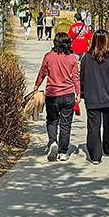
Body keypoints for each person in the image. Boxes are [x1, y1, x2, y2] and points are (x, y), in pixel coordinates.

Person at [79, 29, 109, 163]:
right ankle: (108, 149)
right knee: (108, 125)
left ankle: (95, 156)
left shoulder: (86, 58)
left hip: (92, 99)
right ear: (107, 41)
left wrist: (82, 93)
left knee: (93, 127)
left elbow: (82, 78)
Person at [33, 32, 80, 161]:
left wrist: (36, 85)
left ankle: (53, 142)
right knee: (66, 124)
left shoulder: (48, 56)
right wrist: (78, 93)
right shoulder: (72, 58)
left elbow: (42, 72)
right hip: (68, 95)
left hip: (52, 95)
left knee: (52, 121)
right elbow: (75, 77)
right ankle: (63, 152)